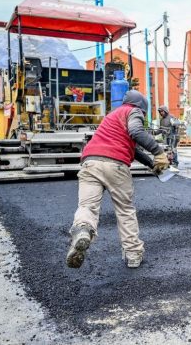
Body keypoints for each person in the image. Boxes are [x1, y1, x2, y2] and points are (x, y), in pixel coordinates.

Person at [66, 90, 169, 269]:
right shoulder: (133, 111)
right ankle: (133, 254)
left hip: (90, 162)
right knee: (125, 210)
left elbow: (132, 148)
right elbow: (136, 131)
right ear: (141, 108)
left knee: (87, 206)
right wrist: (158, 152)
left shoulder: (112, 116)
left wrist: (151, 164)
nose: (142, 117)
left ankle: (83, 229)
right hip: (115, 165)